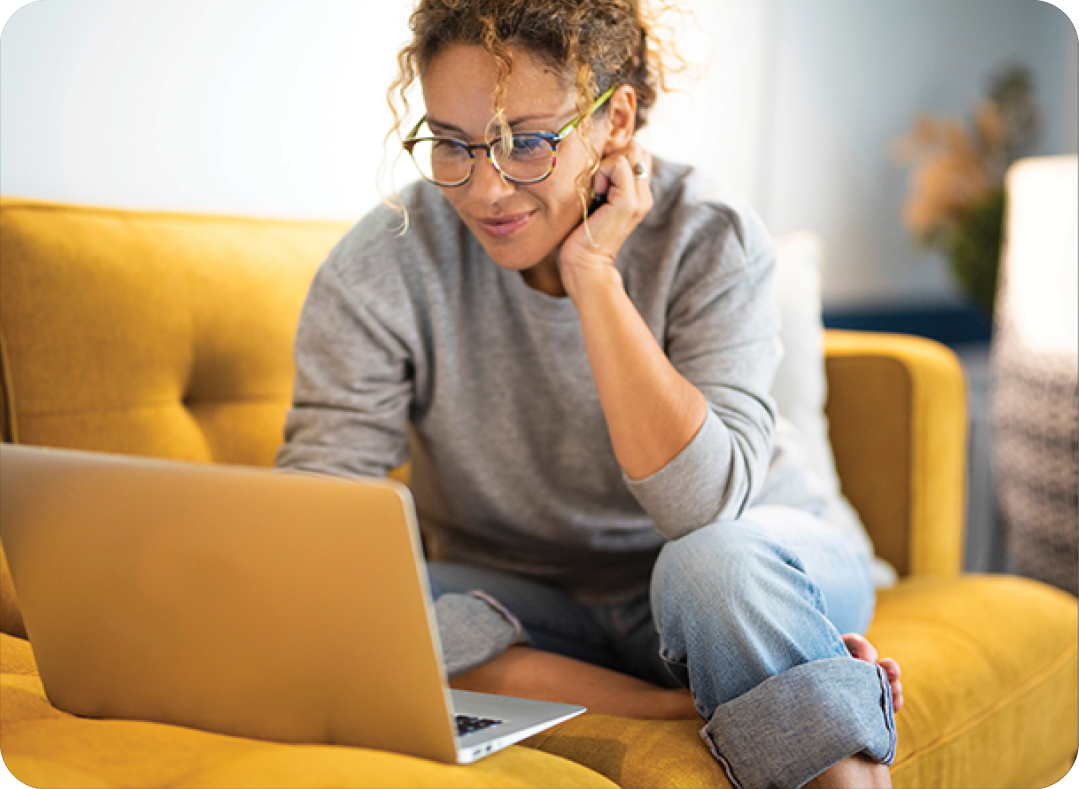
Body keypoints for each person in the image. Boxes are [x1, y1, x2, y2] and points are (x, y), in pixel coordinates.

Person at [276, 1, 902, 787]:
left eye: (527, 141)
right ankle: (670, 697)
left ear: (616, 122)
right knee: (327, 601)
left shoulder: (709, 237)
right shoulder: (382, 264)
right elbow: (315, 521)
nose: (484, 188)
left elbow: (701, 510)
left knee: (711, 567)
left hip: (739, 567)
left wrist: (593, 277)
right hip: (527, 606)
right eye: (451, 145)